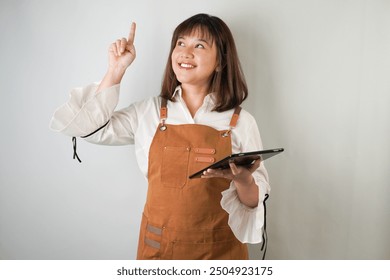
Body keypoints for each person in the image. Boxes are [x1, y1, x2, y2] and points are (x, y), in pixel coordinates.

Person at [50, 13, 270, 260]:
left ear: (220, 62)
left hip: (220, 252)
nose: (185, 52)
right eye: (180, 43)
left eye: (199, 45)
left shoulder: (241, 121)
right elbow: (90, 129)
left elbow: (253, 204)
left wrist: (243, 180)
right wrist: (116, 69)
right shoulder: (149, 112)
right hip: (159, 250)